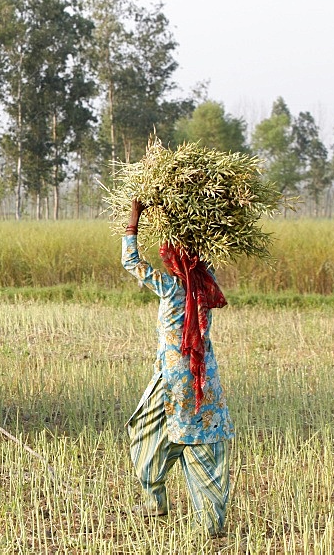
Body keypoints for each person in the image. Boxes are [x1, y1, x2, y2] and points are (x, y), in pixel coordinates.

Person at [122, 199, 234, 536]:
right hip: (206, 383)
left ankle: (155, 500)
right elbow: (206, 257)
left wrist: (135, 216)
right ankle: (211, 524)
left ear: (174, 263)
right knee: (206, 449)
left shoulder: (171, 289)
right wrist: (209, 216)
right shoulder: (204, 287)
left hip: (173, 382)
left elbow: (131, 260)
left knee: (144, 433)